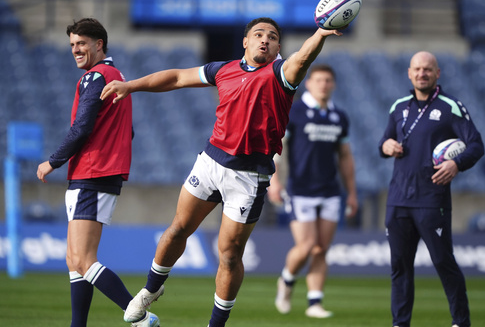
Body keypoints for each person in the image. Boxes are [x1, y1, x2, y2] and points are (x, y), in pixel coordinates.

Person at [100, 17, 345, 327]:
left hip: (249, 177)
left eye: (271, 36)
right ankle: (149, 291)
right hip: (210, 162)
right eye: (258, 34)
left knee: (229, 255)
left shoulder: (282, 75)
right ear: (246, 42)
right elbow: (176, 77)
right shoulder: (223, 70)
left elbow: (304, 56)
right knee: (177, 229)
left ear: (278, 48)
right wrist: (130, 86)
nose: (264, 39)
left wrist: (321, 33)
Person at [36, 18, 159, 327]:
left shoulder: (96, 77)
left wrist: (54, 160)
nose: (76, 50)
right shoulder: (118, 77)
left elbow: (82, 126)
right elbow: (126, 132)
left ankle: (140, 318)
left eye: (82, 44)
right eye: (72, 45)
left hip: (92, 172)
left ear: (99, 44)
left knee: (81, 259)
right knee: (74, 261)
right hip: (102, 173)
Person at [378, 51, 484, 327]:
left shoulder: (451, 106)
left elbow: (476, 145)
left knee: (443, 262)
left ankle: (461, 322)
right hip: (398, 199)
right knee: (399, 268)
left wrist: (456, 164)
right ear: (409, 73)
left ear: (438, 74)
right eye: (417, 69)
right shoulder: (398, 107)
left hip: (431, 199)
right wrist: (386, 146)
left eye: (428, 69)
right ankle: (400, 324)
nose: (422, 73)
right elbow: (383, 142)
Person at [268, 64, 358, 318]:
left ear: (334, 84)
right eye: (318, 80)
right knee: (306, 245)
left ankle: (314, 302)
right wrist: (275, 181)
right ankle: (286, 280)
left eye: (328, 80)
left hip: (330, 190)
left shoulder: (339, 116)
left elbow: (345, 156)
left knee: (321, 249)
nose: (323, 84)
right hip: (300, 189)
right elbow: (278, 148)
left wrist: (351, 191)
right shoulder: (294, 112)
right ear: (308, 84)